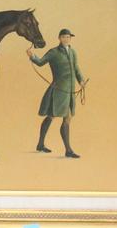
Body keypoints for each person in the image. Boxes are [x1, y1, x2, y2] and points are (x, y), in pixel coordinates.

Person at [26, 28, 88, 158]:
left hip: (70, 92)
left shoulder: (73, 52)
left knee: (67, 118)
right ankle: (42, 144)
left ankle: (67, 150)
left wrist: (81, 80)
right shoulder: (53, 52)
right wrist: (32, 56)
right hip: (58, 91)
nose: (66, 39)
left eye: (68, 37)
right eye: (64, 37)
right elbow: (40, 62)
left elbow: (76, 68)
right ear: (59, 38)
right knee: (51, 116)